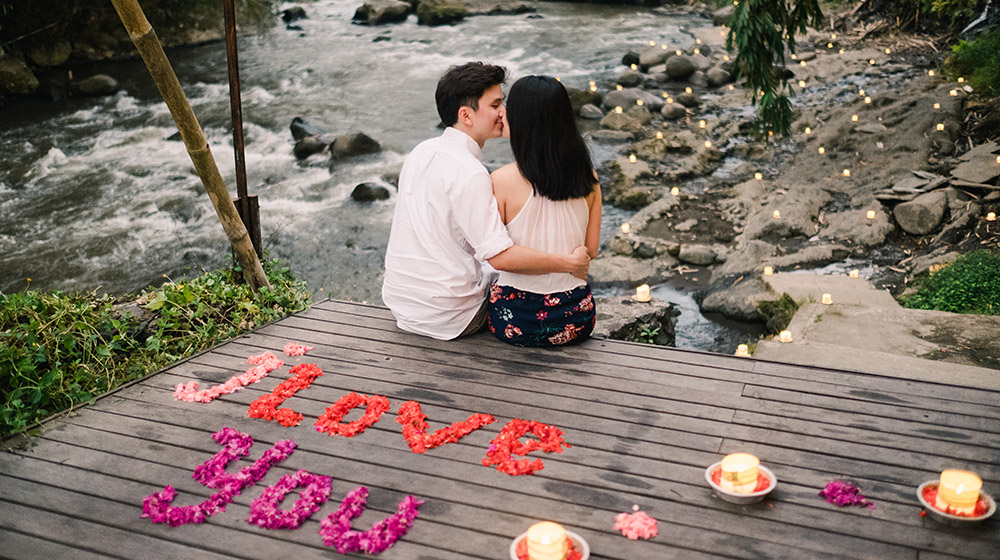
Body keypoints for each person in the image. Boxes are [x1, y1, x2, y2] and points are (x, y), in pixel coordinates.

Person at [382, 62, 590, 341]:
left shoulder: (421, 152)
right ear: (466, 115)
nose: (505, 112)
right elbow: (500, 257)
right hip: (452, 318)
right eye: (496, 105)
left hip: (402, 306)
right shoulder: (472, 174)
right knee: (515, 280)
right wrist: (567, 263)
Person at [487, 75, 601, 346]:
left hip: (518, 319)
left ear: (522, 120)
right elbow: (590, 251)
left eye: (508, 108)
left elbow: (498, 257)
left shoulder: (500, 181)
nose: (502, 113)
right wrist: (568, 261)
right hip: (576, 316)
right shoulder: (590, 178)